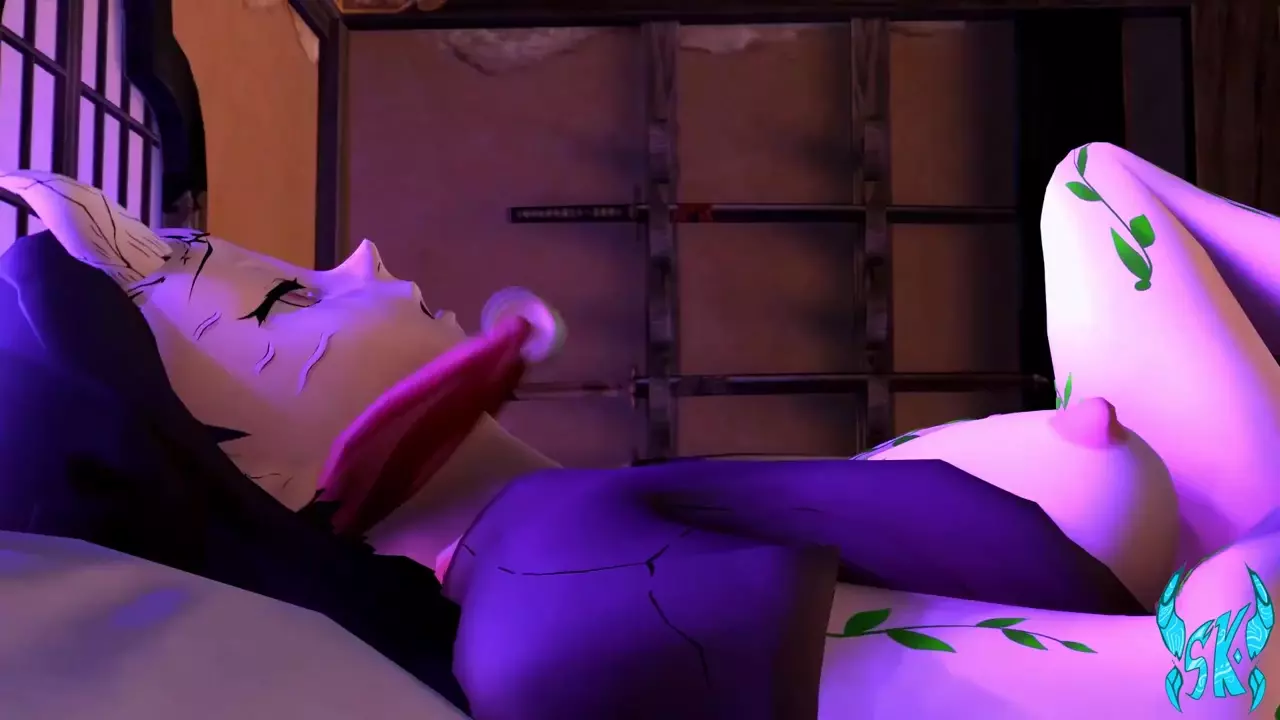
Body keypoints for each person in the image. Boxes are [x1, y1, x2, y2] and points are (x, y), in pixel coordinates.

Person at [0, 144, 1273, 718]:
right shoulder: (557, 586)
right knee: (1090, 190)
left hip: (1170, 523)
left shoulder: (541, 556)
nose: (362, 257)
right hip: (1217, 564)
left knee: (1089, 191)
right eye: (292, 297)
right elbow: (1204, 689)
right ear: (267, 477)